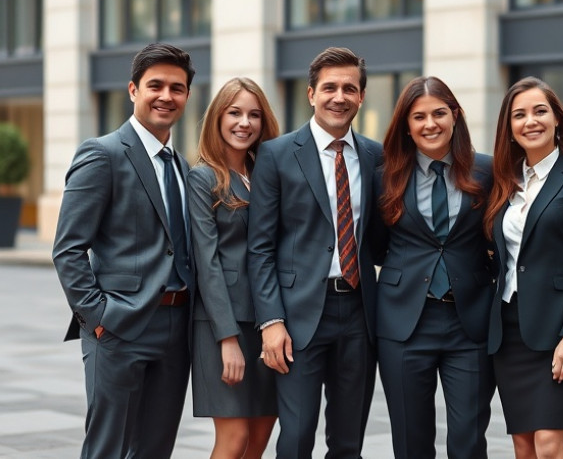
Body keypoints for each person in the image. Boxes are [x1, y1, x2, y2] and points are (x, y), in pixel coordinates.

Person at [52, 43, 196, 458]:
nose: (166, 96)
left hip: (176, 327)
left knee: (155, 449)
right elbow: (68, 249)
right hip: (120, 327)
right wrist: (98, 318)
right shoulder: (103, 154)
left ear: (187, 96)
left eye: (177, 88)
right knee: (108, 449)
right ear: (133, 90)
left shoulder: (183, 167)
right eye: (156, 85)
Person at [247, 47, 382, 458]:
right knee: (297, 436)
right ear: (311, 94)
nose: (338, 96)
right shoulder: (276, 154)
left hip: (360, 313)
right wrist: (270, 321)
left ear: (361, 97)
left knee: (348, 441)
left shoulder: (377, 156)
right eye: (329, 88)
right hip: (298, 316)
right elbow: (260, 247)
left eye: (349, 88)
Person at [484, 76, 563, 459]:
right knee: (523, 447)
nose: (530, 121)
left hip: (559, 328)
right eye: (519, 115)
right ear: (509, 127)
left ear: (558, 119)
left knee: (550, 447)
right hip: (509, 330)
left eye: (540, 111)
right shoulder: (505, 182)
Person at [374, 76, 495, 459]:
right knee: (411, 442)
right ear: (406, 126)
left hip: (470, 322)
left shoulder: (488, 172)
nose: (431, 124)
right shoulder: (384, 176)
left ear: (455, 116)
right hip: (404, 322)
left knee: (469, 439)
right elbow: (376, 245)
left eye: (439, 113)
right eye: (419, 116)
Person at [188, 77, 280, 458]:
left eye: (254, 115)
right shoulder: (203, 178)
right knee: (235, 438)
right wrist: (227, 339)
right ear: (217, 118)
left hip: (270, 323)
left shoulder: (267, 175)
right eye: (235, 113)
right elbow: (206, 264)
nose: (245, 122)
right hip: (221, 325)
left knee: (259, 439)